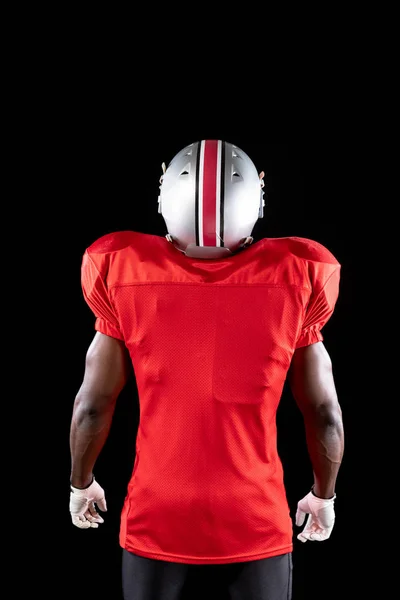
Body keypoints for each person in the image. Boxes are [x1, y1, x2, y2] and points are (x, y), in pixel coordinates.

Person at [69, 139, 345, 600]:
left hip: (157, 513)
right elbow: (325, 413)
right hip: (255, 516)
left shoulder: (119, 268)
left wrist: (81, 482)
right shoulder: (300, 273)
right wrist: (323, 495)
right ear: (255, 200)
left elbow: (92, 407)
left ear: (166, 197)